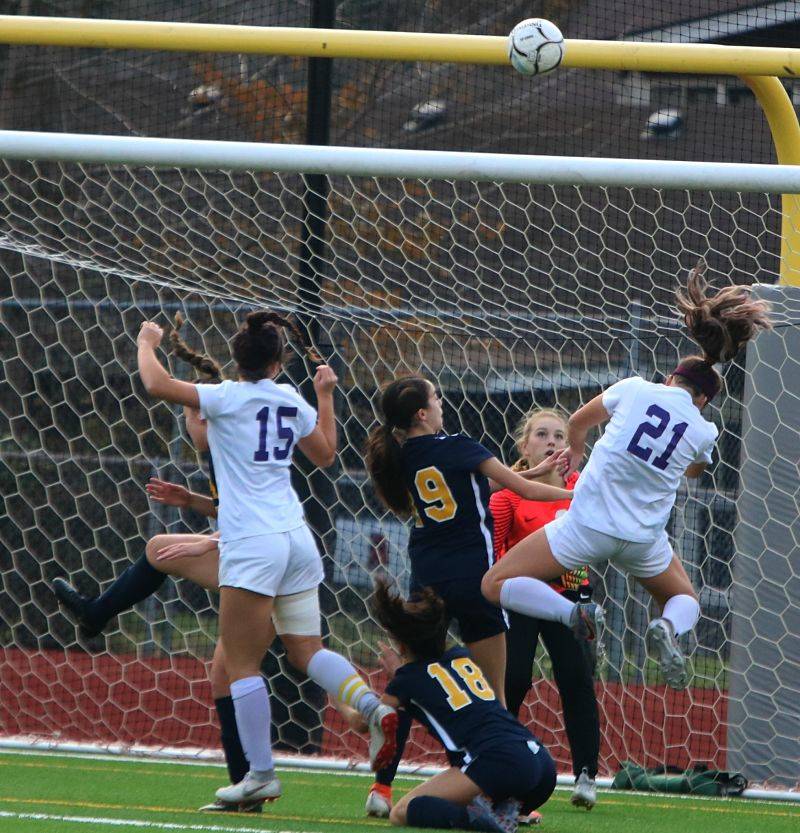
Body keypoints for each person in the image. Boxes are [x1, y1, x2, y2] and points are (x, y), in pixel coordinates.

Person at [135, 310, 398, 806]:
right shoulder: (289, 398)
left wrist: (148, 340)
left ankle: (260, 774)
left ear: (235, 359)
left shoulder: (227, 396)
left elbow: (156, 382)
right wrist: (325, 394)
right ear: (279, 362)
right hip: (295, 538)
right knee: (306, 650)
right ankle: (369, 704)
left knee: (240, 664)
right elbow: (324, 454)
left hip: (252, 544)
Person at [482, 265, 772, 690]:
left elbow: (579, 422)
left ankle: (572, 613)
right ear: (705, 401)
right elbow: (692, 469)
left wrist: (575, 455)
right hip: (642, 539)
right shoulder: (704, 430)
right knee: (684, 598)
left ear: (670, 377)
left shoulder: (635, 388)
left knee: (495, 583)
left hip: (586, 526)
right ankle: (669, 629)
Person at [362, 376, 573, 817]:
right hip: (475, 580)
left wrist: (527, 473)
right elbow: (527, 492)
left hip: (427, 581)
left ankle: (380, 789)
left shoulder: (402, 456)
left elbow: (470, 493)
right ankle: (500, 796)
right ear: (422, 413)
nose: (441, 403)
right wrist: (580, 496)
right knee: (492, 697)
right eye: (435, 397)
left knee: (407, 686)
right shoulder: (456, 443)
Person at [372, 579, 556, 832]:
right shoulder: (460, 656)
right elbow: (430, 678)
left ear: (402, 645)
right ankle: (499, 808)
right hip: (541, 764)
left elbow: (369, 721)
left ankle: (478, 820)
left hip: (500, 763)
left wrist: (343, 693)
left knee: (402, 811)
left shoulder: (405, 681)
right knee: (483, 785)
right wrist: (403, 672)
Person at [490, 408, 600, 810]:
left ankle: (587, 774)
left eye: (558, 435)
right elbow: (495, 553)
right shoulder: (507, 497)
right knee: (514, 679)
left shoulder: (581, 490)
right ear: (524, 446)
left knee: (576, 678)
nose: (552, 442)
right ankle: (503, 769)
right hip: (520, 597)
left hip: (570, 598)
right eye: (542, 435)